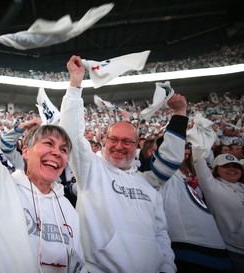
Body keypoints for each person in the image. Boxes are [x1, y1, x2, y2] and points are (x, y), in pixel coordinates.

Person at [0, 33, 87, 273]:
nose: (57, 153)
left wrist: (76, 85)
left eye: (63, 149)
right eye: (48, 143)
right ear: (24, 151)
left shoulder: (68, 208)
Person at [59, 55, 189, 273]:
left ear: (137, 145)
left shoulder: (148, 183)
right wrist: (75, 83)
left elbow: (160, 233)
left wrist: (167, 268)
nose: (119, 146)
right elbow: (70, 133)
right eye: (114, 139)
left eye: (127, 141)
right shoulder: (91, 170)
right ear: (104, 142)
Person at [159, 145, 232, 272]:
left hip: (205, 230)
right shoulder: (169, 171)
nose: (186, 157)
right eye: (184, 153)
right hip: (187, 239)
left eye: (188, 154)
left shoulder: (189, 168)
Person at [192, 151, 244, 272]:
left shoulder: (242, 187)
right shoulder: (212, 187)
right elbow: (199, 162)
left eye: (235, 166)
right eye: (226, 166)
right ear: (215, 170)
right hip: (235, 251)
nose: (232, 169)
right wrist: (199, 145)